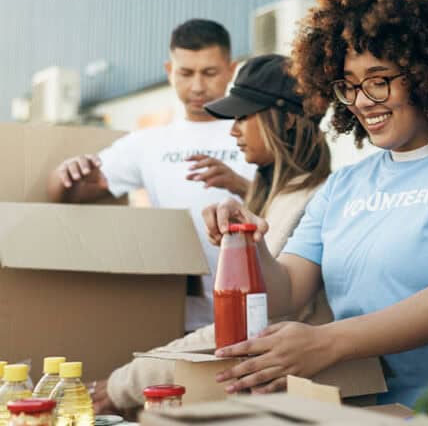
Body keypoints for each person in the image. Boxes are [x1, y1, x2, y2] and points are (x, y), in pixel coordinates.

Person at [205, 0, 428, 406]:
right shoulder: (344, 187)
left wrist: (327, 342)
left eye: (379, 79)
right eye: (348, 84)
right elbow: (287, 294)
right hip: (362, 408)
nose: (361, 100)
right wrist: (247, 238)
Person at [91, 54, 334, 413]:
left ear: (285, 121)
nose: (232, 129)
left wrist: (122, 384)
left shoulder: (308, 202)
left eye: (243, 117)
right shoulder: (279, 196)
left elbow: (249, 328)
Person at [47, 19, 256, 331]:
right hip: (176, 315)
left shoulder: (255, 132)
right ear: (170, 71)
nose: (197, 86)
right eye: (186, 73)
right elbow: (72, 194)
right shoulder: (149, 142)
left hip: (254, 308)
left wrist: (240, 186)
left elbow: (291, 203)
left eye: (209, 73)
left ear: (231, 69)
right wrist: (65, 174)